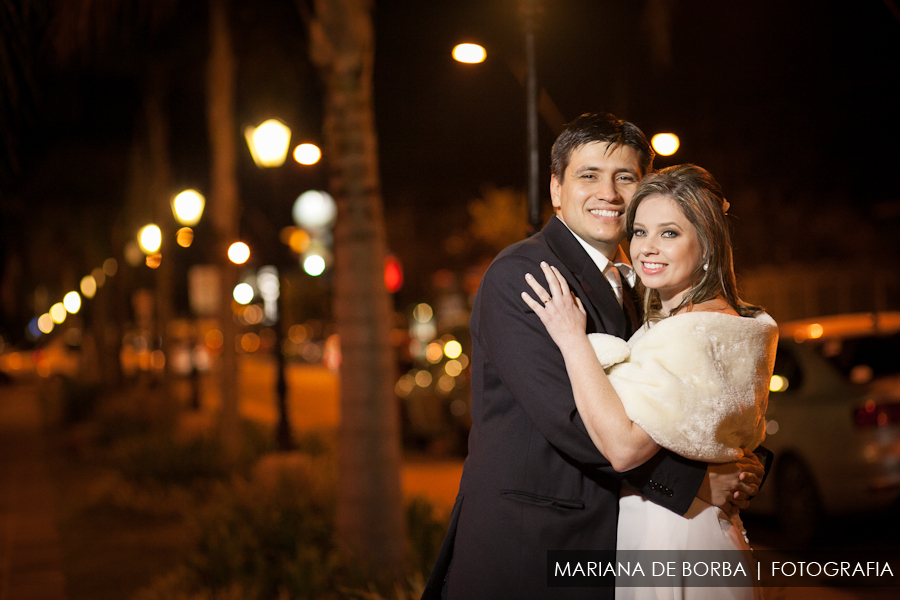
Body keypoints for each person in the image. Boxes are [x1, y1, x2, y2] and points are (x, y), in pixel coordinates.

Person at [422, 113, 764, 600]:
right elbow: (571, 420)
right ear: (557, 189)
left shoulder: (639, 283)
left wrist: (738, 457)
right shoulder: (526, 272)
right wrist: (698, 482)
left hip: (608, 540)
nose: (609, 192)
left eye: (625, 177)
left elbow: (673, 393)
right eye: (589, 176)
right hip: (533, 543)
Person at [522, 164, 777, 599]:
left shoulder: (691, 332)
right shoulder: (707, 322)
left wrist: (572, 340)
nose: (647, 248)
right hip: (690, 531)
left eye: (670, 233)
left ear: (708, 245)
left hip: (676, 539)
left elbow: (623, 448)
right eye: (639, 232)